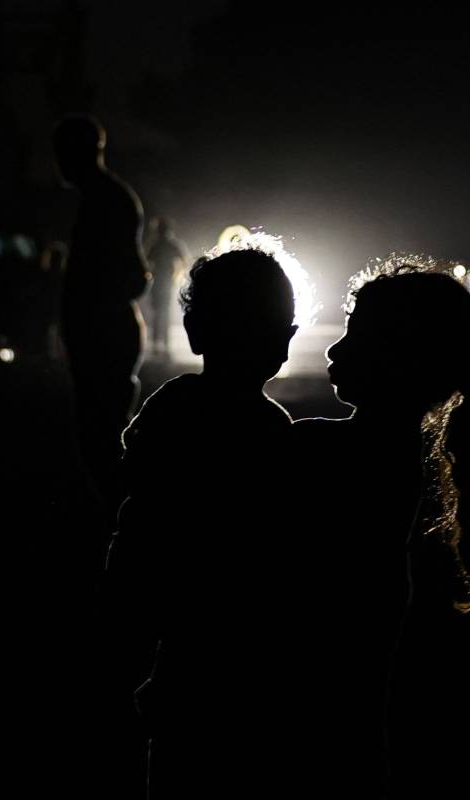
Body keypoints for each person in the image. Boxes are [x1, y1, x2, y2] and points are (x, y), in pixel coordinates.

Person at [288, 256, 470, 797]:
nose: (335, 349)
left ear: (400, 358)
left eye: (355, 336)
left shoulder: (329, 448)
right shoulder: (392, 449)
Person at [100, 243, 299, 798]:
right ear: (284, 338)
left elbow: (136, 525)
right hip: (241, 653)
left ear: (193, 331)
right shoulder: (273, 432)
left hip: (178, 643)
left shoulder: (170, 409)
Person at [53, 114, 149, 519]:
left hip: (103, 335)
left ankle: (128, 525)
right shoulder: (109, 197)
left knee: (101, 438)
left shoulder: (104, 201)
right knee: (104, 434)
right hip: (106, 332)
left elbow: (131, 277)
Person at [143, 217, 188, 357]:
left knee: (158, 312)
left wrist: (150, 275)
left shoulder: (156, 245)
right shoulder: (171, 244)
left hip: (158, 282)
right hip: (167, 282)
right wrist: (178, 275)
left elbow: (146, 263)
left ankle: (157, 342)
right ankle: (164, 342)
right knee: (165, 311)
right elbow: (184, 260)